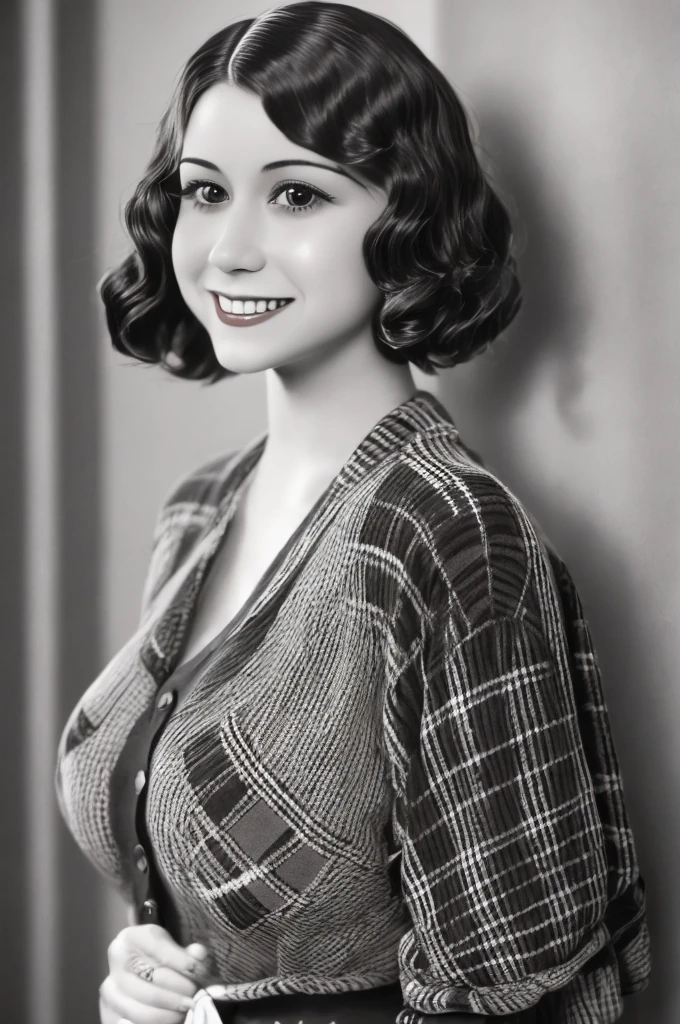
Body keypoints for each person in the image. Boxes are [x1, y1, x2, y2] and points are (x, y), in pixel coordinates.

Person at [54, 3, 652, 1024]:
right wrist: (147, 974)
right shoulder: (200, 506)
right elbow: (193, 861)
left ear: (404, 214)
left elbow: (508, 995)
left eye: (294, 195)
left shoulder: (448, 533)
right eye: (204, 192)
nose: (228, 248)